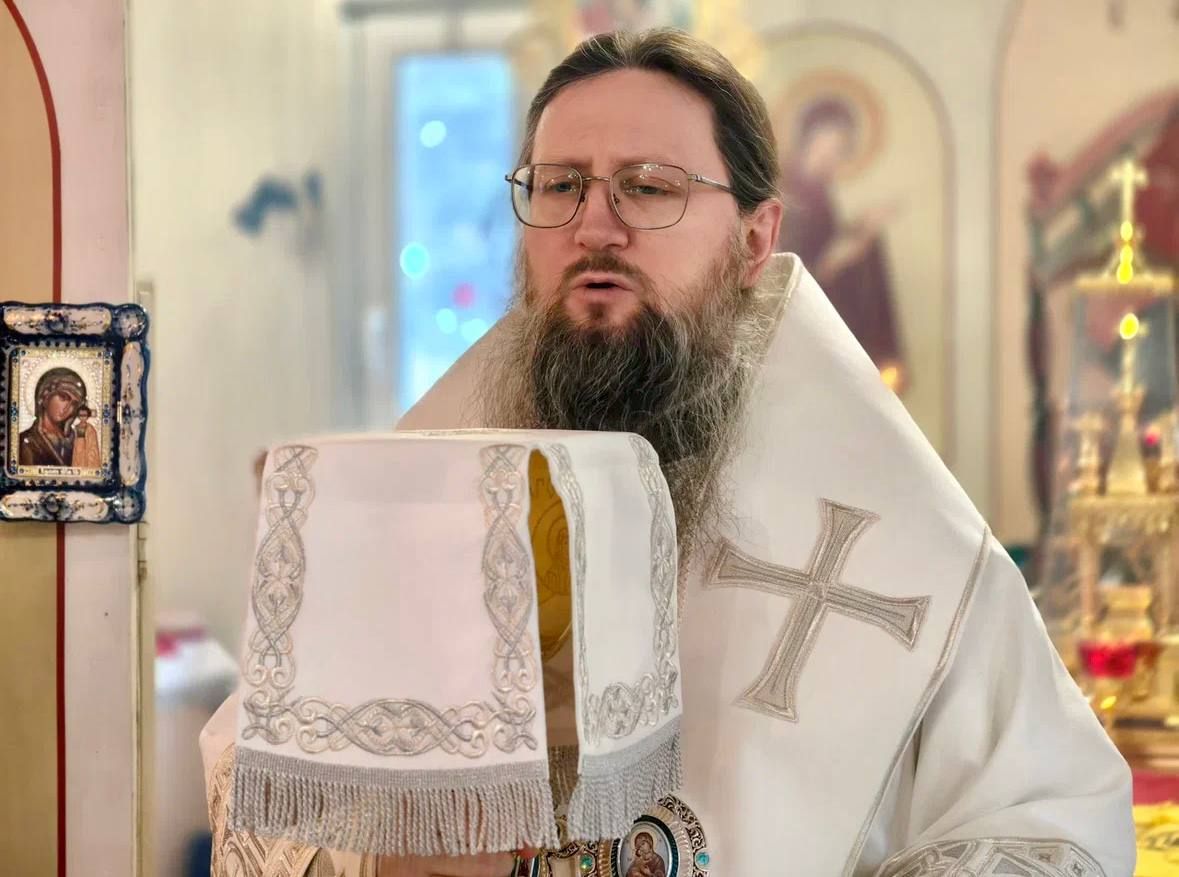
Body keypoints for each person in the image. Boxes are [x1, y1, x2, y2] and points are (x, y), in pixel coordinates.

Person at [202, 28, 1134, 877]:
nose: (593, 226)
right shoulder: (428, 483)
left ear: (754, 241)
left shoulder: (908, 544)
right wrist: (396, 854)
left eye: (647, 187)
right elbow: (260, 771)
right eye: (559, 185)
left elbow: (1057, 829)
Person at [778, 97, 907, 392]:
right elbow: (809, 265)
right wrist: (860, 238)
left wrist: (861, 229)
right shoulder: (788, 188)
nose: (839, 156)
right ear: (817, 137)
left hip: (823, 318)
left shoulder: (818, 190)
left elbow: (824, 242)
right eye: (838, 146)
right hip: (800, 327)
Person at [17, 367, 87, 468]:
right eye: (63, 397)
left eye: (74, 404)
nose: (67, 408)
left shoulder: (74, 440)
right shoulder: (26, 441)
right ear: (45, 395)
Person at [70, 405, 101, 469]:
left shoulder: (90, 428)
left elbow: (93, 444)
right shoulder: (75, 427)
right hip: (77, 449)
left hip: (86, 449)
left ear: (87, 416)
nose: (83, 417)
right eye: (81, 415)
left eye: (84, 415)